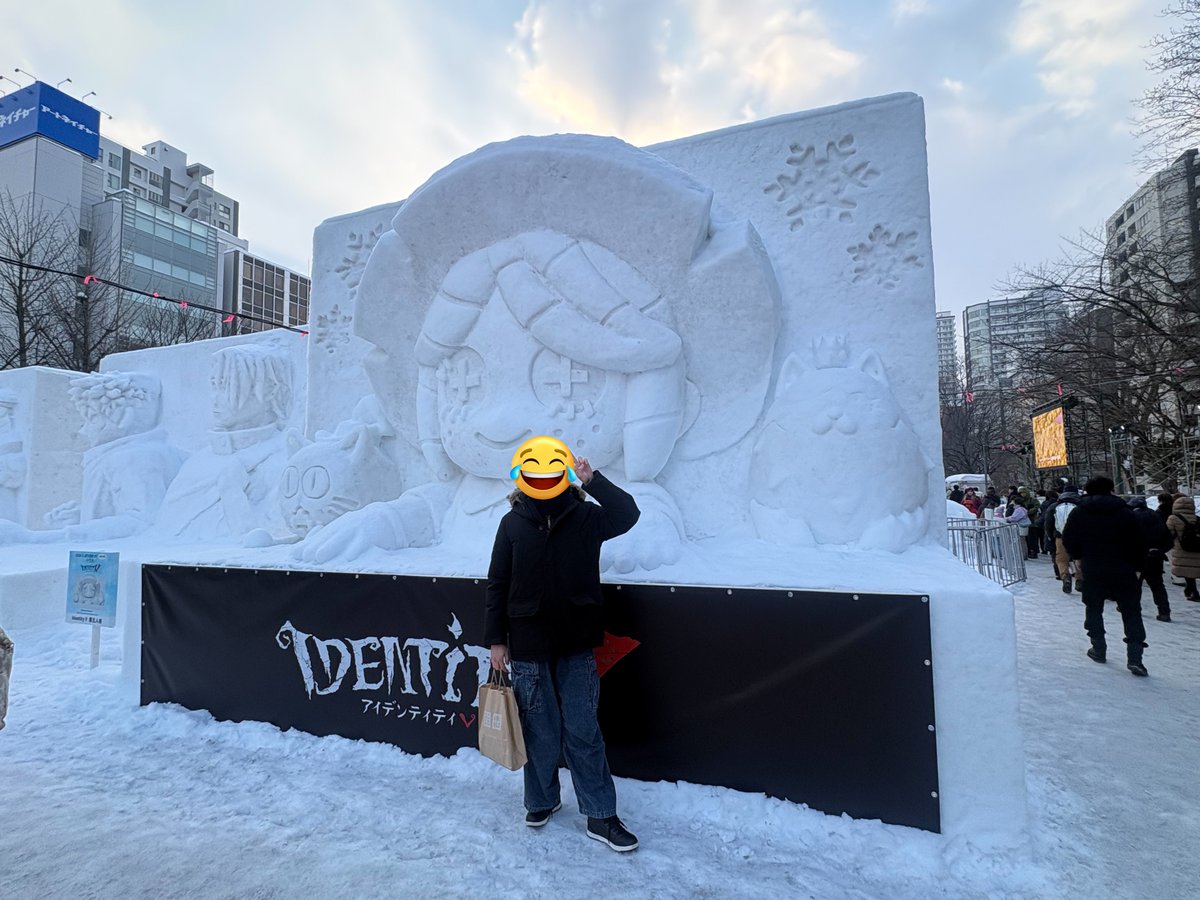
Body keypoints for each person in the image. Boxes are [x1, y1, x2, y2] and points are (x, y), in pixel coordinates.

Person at [485, 447, 641, 852]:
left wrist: (593, 480)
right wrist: (496, 640)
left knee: (583, 730)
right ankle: (541, 800)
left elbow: (628, 514)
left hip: (576, 643)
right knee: (539, 730)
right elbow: (497, 583)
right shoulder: (511, 524)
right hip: (528, 645)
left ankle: (601, 815)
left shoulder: (587, 517)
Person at [1061, 476, 1149, 676]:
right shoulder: (1127, 513)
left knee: (1093, 608)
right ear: (1111, 490)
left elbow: (1069, 538)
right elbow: (1141, 542)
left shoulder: (1079, 513)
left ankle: (1098, 648)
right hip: (1124, 568)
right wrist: (1137, 567)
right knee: (1131, 611)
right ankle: (1135, 657)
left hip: (1093, 566)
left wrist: (1078, 557)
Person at [1129, 497, 1174, 621]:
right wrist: (1160, 550)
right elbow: (1169, 539)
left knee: (1135, 585)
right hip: (1156, 557)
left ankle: (1134, 608)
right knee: (1157, 585)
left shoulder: (1132, 517)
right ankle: (1164, 611)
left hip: (1138, 557)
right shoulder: (1157, 517)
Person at [1045, 483, 1084, 593]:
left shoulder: (1054, 506)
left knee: (1062, 559)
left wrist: (1051, 536)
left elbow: (1048, 523)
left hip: (1060, 536)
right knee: (1079, 558)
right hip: (1078, 537)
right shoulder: (1081, 504)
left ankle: (1065, 577)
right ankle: (1080, 580)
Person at [1165, 495, 1200, 602]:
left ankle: (1192, 591)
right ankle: (1191, 590)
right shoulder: (1197, 518)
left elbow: (1168, 534)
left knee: (1186, 570)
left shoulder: (1173, 518)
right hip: (1197, 548)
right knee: (1193, 569)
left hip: (1181, 549)